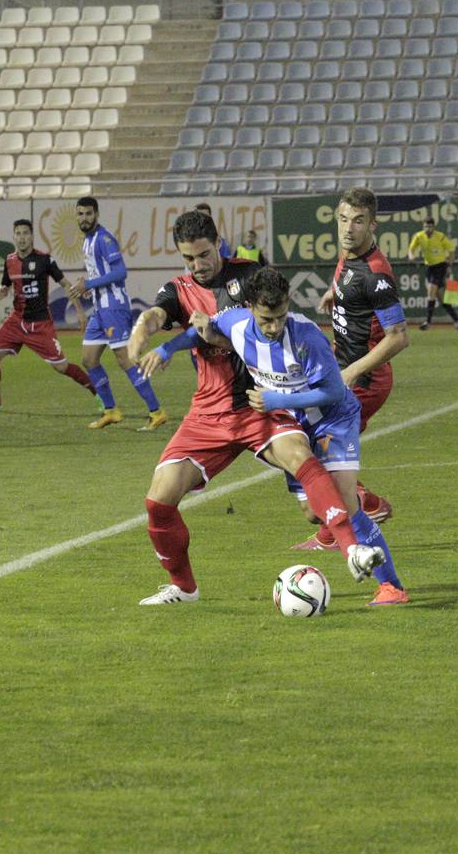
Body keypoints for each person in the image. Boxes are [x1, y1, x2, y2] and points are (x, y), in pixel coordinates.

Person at [127, 211, 385, 605]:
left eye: (204, 254)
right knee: (158, 500)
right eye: (189, 259)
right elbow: (158, 313)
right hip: (207, 412)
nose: (198, 265)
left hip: (260, 404)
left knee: (306, 485)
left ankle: (352, 541)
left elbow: (266, 324)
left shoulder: (250, 278)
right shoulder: (178, 289)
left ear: (219, 243)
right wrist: (144, 330)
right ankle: (184, 588)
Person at [297, 186, 408, 551]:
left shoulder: (376, 275)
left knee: (318, 454)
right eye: (343, 219)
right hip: (341, 368)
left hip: (363, 379)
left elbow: (398, 337)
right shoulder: (350, 255)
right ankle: (354, 513)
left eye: (358, 221)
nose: (348, 228)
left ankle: (353, 518)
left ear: (373, 224)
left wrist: (350, 372)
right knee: (313, 448)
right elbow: (345, 271)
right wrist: (334, 292)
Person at [0, 219, 102, 414]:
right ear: (13, 236)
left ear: (32, 236)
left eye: (26, 233)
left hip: (40, 324)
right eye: (18, 233)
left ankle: (100, 395)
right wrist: (2, 289)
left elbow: (66, 284)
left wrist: (80, 311)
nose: (22, 237)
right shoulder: (9, 261)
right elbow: (6, 284)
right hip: (16, 321)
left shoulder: (45, 260)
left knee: (61, 367)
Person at [73, 196, 168, 431]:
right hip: (100, 308)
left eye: (88, 213)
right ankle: (111, 410)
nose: (84, 218)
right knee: (89, 359)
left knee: (124, 359)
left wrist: (91, 284)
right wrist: (90, 290)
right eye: (80, 214)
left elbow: (120, 272)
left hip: (114, 307)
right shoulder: (87, 241)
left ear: (96, 215)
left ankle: (157, 411)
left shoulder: (104, 239)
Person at [407, 216, 458, 331]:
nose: (428, 228)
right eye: (426, 226)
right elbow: (411, 248)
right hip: (429, 267)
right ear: (423, 226)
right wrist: (411, 256)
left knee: (431, 292)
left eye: (430, 226)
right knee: (440, 297)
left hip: (440, 266)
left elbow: (451, 251)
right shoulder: (419, 236)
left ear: (433, 227)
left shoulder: (440, 237)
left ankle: (428, 322)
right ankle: (457, 319)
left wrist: (449, 266)